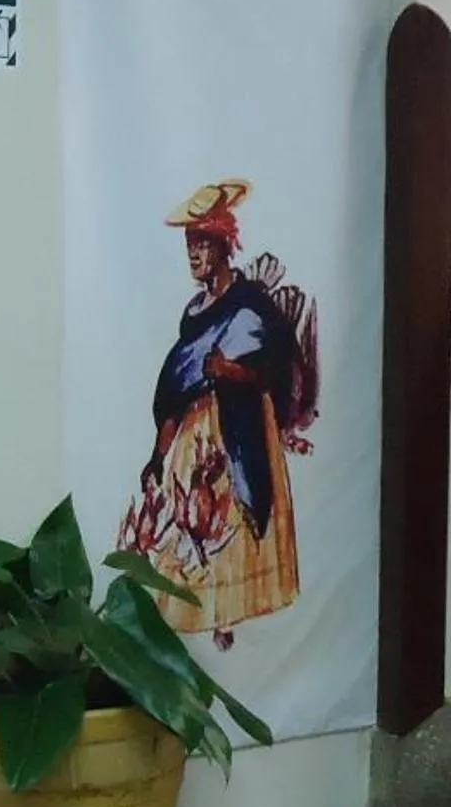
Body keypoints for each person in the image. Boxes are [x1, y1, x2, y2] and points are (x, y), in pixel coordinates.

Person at [118, 180, 315, 647]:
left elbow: (278, 367)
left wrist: (230, 371)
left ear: (224, 247)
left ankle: (231, 617)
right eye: (190, 246)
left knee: (230, 518)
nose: (193, 256)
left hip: (241, 427)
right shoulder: (194, 313)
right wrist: (157, 454)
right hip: (198, 428)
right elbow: (176, 384)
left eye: (202, 245)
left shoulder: (250, 306)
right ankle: (200, 615)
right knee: (191, 516)